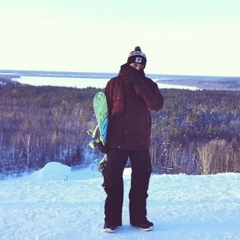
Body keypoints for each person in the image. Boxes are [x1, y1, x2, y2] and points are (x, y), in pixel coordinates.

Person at [101, 46, 164, 233]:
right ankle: (111, 221)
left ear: (143, 65)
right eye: (134, 62)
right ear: (128, 62)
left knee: (140, 183)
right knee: (112, 184)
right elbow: (103, 113)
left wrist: (139, 83)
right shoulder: (113, 84)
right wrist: (102, 138)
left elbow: (156, 105)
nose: (136, 66)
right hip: (116, 143)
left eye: (140, 63)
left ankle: (139, 219)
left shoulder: (149, 84)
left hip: (140, 143)